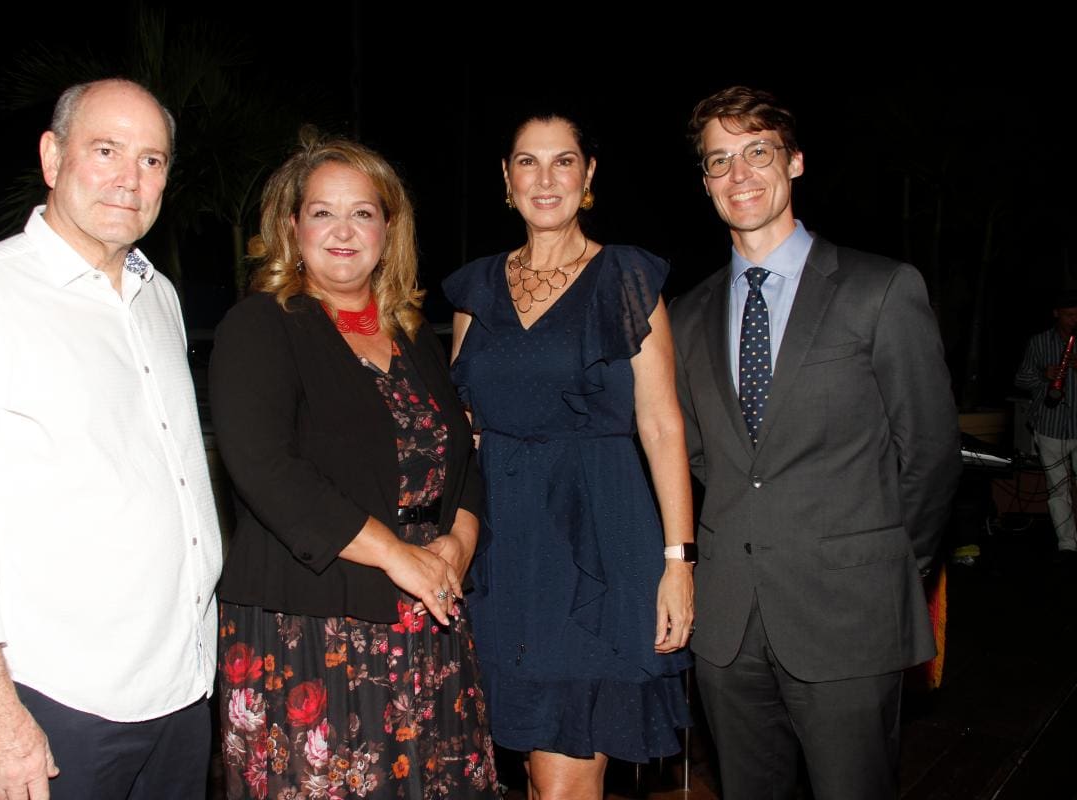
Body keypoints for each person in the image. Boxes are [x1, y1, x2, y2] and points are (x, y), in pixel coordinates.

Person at [0, 79, 222, 799]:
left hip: (181, 687)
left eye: (152, 160)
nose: (129, 179)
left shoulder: (157, 297)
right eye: (106, 150)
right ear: (52, 157)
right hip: (58, 701)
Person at [669, 85, 961, 799]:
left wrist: (885, 569)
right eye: (719, 161)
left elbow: (928, 454)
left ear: (794, 162)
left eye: (757, 153)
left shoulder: (881, 288)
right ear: (705, 181)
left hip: (849, 617)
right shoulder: (685, 315)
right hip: (729, 626)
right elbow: (702, 454)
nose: (739, 175)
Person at [209, 134, 499, 800]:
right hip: (313, 630)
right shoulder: (261, 325)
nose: (343, 230)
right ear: (291, 227)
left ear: (388, 229)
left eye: (362, 212)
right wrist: (396, 554)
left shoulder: (411, 334)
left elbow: (461, 458)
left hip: (430, 618)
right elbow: (264, 467)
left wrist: (458, 541)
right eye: (322, 212)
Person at [444, 114, 695, 800]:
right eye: (528, 162)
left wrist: (679, 562)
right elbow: (461, 429)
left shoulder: (626, 278)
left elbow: (662, 423)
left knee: (565, 771)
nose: (545, 178)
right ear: (506, 178)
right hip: (501, 554)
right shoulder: (474, 290)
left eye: (563, 162)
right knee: (529, 763)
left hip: (598, 544)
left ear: (588, 176)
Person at [1014, 293, 1077, 562]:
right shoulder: (1039, 342)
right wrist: (1044, 375)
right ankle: (1068, 545)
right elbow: (1021, 379)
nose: (1075, 320)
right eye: (1069, 315)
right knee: (1057, 489)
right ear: (1056, 314)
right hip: (1050, 425)